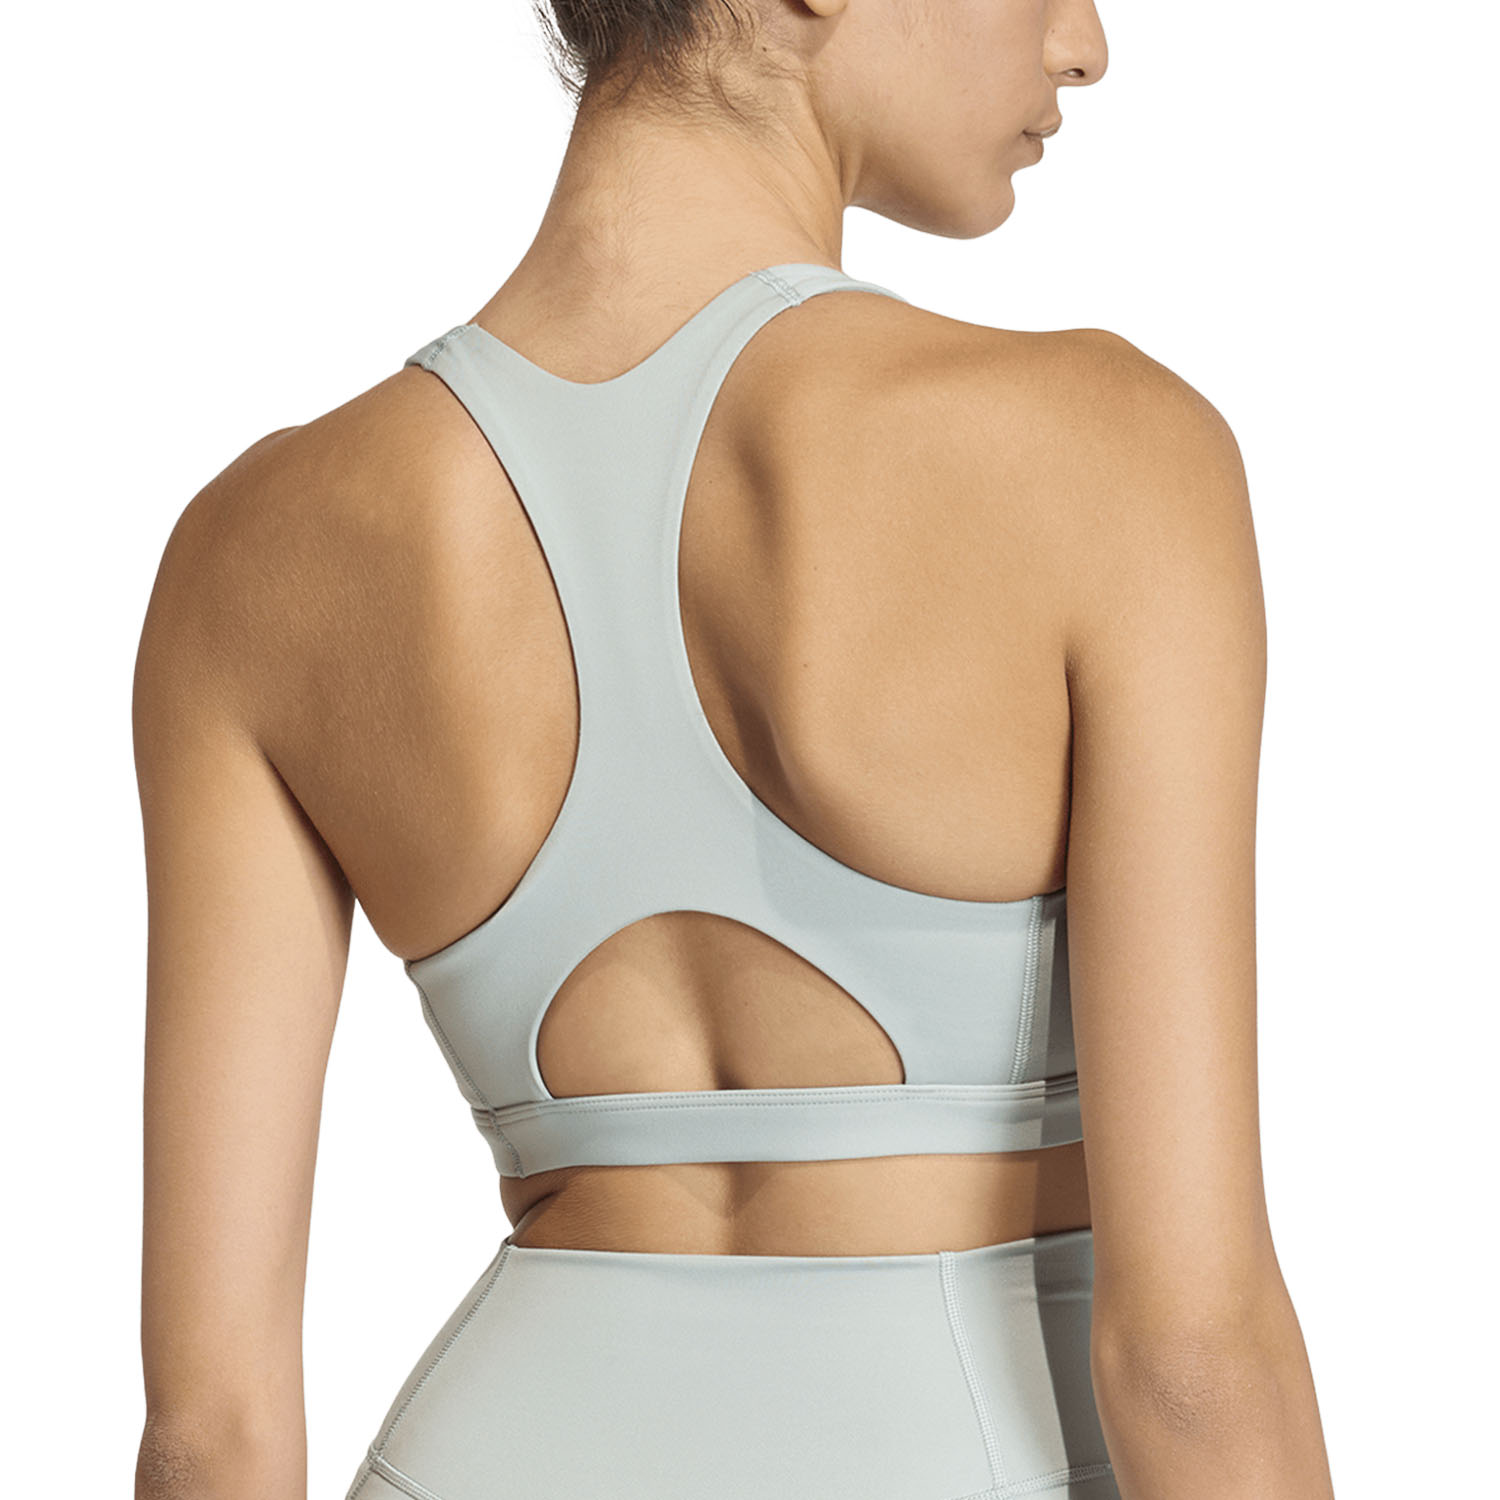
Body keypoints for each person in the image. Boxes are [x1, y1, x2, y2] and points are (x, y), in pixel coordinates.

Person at [131, 1, 1337, 1497]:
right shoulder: (1109, 455)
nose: (1085, 42)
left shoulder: (251, 552)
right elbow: (1191, 1364)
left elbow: (210, 1433)